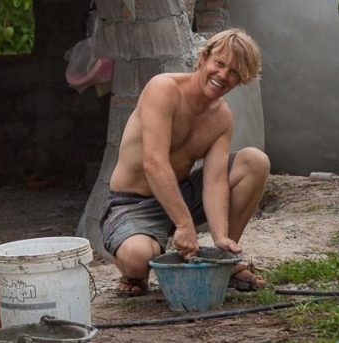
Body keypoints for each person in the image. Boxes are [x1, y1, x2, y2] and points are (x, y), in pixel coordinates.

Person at [100, 28, 270, 296]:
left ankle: (224, 260)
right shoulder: (163, 88)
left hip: (181, 193)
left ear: (240, 81)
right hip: (133, 204)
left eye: (234, 72)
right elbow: (154, 163)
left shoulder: (222, 117)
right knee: (136, 259)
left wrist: (220, 236)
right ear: (203, 58)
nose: (223, 75)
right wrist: (184, 224)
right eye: (219, 63)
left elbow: (214, 181)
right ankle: (136, 272)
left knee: (255, 162)